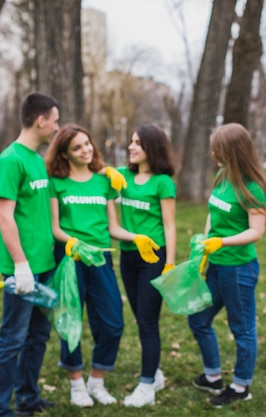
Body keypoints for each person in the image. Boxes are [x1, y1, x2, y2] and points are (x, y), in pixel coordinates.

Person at [44, 123, 161, 408]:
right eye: (76, 147)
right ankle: (76, 386)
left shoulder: (104, 181)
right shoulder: (56, 182)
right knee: (70, 322)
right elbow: (55, 227)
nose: (85, 150)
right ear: (64, 153)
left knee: (112, 323)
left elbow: (113, 227)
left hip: (100, 258)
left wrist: (137, 237)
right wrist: (71, 242)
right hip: (70, 259)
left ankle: (96, 381)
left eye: (87, 144)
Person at [188, 122, 266, 407]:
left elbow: (256, 232)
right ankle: (213, 377)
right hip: (215, 264)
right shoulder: (223, 175)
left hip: (238, 270)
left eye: (218, 149)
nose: (213, 154)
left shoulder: (253, 188)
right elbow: (214, 211)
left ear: (233, 151)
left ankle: (240, 386)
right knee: (198, 319)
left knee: (242, 329)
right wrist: (205, 241)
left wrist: (222, 243)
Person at [0, 92, 60, 417]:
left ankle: (28, 398)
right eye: (55, 121)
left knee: (37, 337)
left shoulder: (36, 160)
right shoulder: (10, 160)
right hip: (22, 269)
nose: (56, 129)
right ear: (40, 120)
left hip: (44, 265)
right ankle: (0, 409)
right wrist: (20, 265)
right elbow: (5, 216)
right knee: (12, 339)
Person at [115, 124, 176, 407]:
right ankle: (156, 373)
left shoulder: (163, 182)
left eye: (137, 142)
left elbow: (170, 224)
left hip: (154, 258)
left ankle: (146, 386)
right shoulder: (123, 177)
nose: (131, 147)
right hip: (127, 255)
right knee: (140, 318)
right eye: (131, 142)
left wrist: (170, 263)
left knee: (148, 322)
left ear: (151, 147)